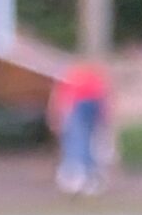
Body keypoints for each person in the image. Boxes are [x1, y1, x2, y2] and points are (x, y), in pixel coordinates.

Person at [49, 56, 114, 196]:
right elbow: (104, 95)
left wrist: (57, 117)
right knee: (88, 140)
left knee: (79, 140)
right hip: (91, 104)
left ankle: (80, 175)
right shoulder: (92, 75)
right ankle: (88, 175)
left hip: (80, 105)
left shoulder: (71, 76)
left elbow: (61, 98)